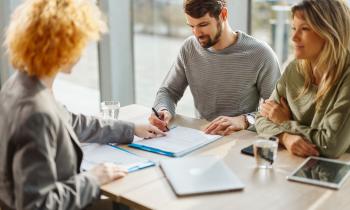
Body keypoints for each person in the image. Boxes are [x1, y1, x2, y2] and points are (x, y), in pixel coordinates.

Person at [0, 0, 164, 209]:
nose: (82, 51)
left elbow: (72, 122)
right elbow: (37, 205)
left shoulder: (20, 85)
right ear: (63, 46)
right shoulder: (37, 112)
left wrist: (131, 129)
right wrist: (93, 179)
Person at [148, 0, 281, 136]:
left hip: (240, 141)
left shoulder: (261, 54)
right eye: (191, 26)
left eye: (203, 25)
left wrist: (245, 120)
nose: (197, 33)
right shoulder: (189, 48)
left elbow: (278, 111)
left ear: (223, 14)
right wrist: (163, 109)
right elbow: (169, 91)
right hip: (202, 138)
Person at [256, 0, 350, 158]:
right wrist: (285, 137)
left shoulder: (346, 76)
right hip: (295, 164)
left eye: (304, 29)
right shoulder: (294, 68)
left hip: (339, 172)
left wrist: (284, 123)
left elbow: (331, 145)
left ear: (329, 33)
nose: (293, 37)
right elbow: (262, 118)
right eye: (293, 28)